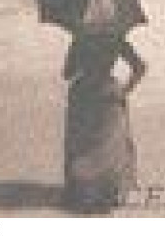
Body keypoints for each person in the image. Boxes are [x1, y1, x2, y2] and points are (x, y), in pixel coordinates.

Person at [62, 31, 146, 214]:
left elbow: (67, 73)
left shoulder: (80, 39)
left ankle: (81, 192)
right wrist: (126, 89)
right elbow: (140, 67)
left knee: (81, 143)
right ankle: (107, 193)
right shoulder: (116, 39)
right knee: (108, 144)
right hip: (107, 92)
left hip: (83, 93)